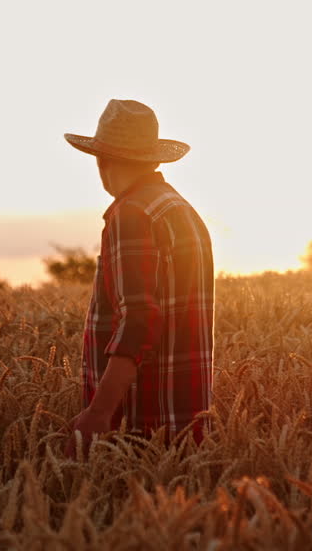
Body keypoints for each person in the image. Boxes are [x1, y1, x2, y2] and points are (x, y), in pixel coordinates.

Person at [63, 99, 214, 455]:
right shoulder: (179, 208)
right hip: (187, 419)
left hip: (138, 423)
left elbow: (138, 320)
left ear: (103, 161)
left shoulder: (130, 213)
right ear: (152, 159)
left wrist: (100, 412)